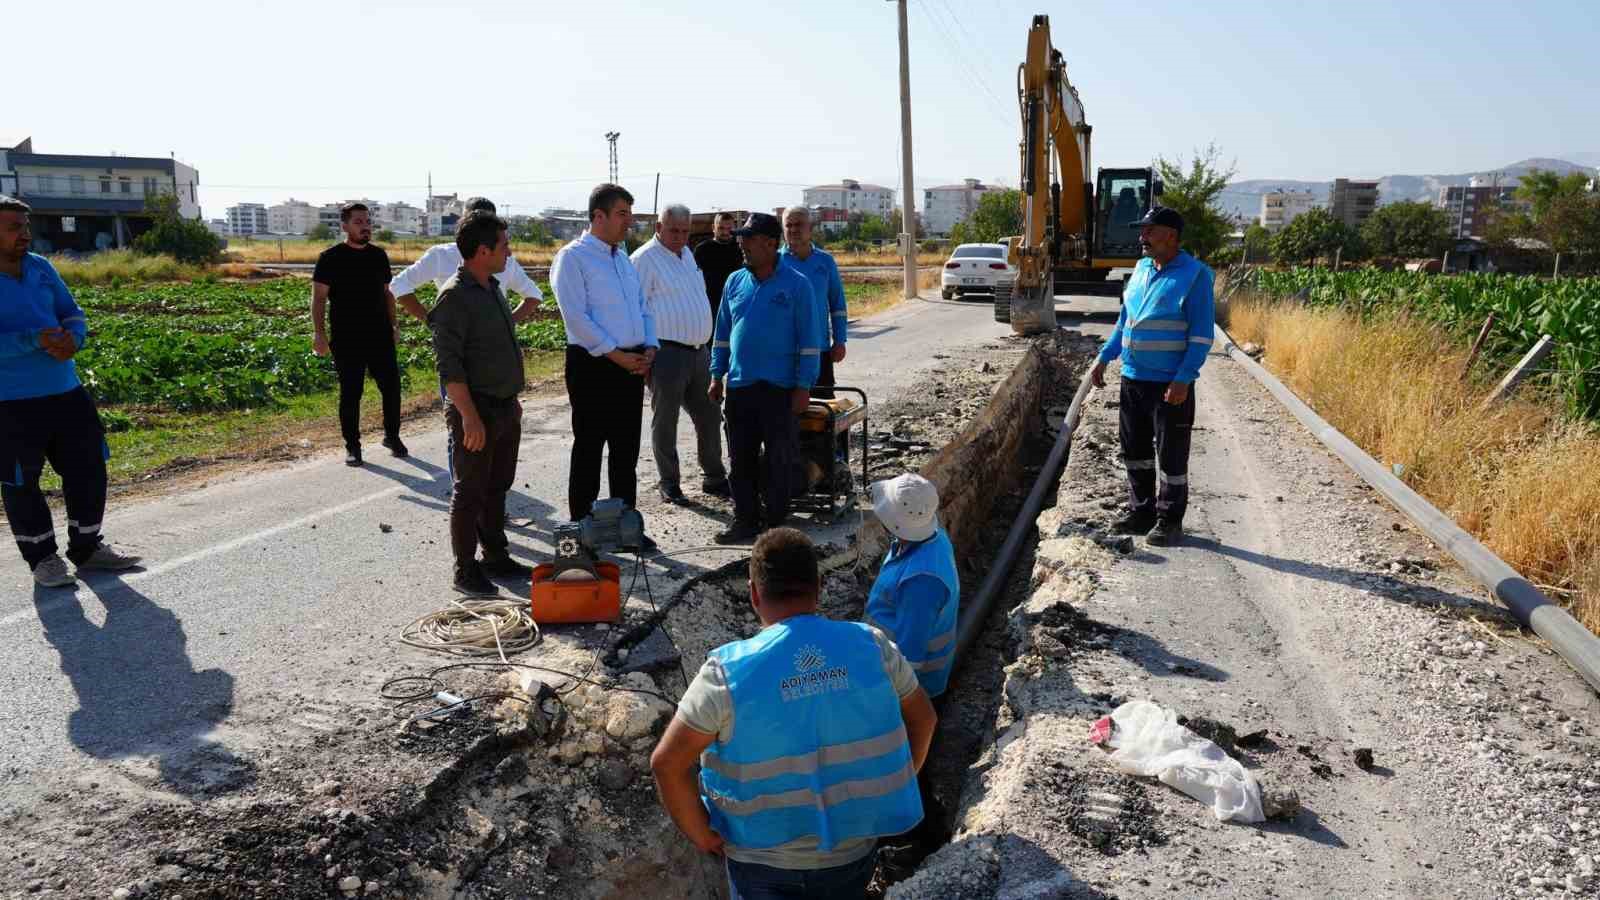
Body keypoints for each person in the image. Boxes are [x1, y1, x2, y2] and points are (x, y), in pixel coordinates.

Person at [650, 527, 937, 900]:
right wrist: (895, 781)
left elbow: (667, 764)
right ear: (819, 587)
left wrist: (701, 834)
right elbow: (925, 719)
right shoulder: (873, 647)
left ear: (754, 593)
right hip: (849, 857)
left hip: (760, 864)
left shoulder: (726, 673)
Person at [0, 196, 142, 587]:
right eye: (14, 227)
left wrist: (74, 338)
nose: (24, 235)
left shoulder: (41, 268)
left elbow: (71, 311)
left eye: (26, 227)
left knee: (89, 467)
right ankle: (42, 559)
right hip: (10, 401)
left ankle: (87, 548)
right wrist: (33, 340)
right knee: (20, 481)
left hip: (65, 390)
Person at [390, 196, 546, 483]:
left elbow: (534, 296)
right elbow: (398, 285)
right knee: (464, 427)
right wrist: (435, 321)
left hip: (485, 361)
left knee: (482, 434)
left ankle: (477, 497)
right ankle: (465, 492)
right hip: (462, 357)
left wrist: (500, 325)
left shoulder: (498, 259)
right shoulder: (443, 256)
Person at [1089, 206, 1216, 546]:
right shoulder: (1142, 269)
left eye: (1149, 230)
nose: (1141, 237)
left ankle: (1170, 520)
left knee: (1172, 455)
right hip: (1133, 378)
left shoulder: (1195, 275)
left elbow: (1202, 334)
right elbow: (1125, 320)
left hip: (1169, 384)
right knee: (1135, 449)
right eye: (1142, 230)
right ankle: (1141, 510)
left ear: (1171, 236)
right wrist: (1105, 357)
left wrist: (1184, 378)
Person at [429, 212, 534, 595]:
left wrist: (513, 403)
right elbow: (449, 368)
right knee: (469, 490)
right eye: (504, 246)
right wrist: (470, 418)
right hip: (477, 410)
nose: (510, 252)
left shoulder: (491, 286)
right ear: (483, 250)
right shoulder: (454, 297)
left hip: (504, 407)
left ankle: (495, 555)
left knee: (497, 486)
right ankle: (465, 569)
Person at [551, 184, 659, 549]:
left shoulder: (622, 259)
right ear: (598, 216)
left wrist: (650, 347)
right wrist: (616, 354)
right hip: (594, 365)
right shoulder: (574, 257)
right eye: (622, 214)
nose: (629, 221)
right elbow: (576, 318)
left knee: (626, 449)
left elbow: (642, 307)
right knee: (590, 447)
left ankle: (627, 527)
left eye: (629, 213)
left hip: (631, 363)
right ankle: (582, 530)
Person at [708, 214, 825, 545]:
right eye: (741, 237)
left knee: (778, 460)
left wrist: (804, 386)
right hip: (741, 388)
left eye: (749, 238)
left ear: (771, 244)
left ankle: (774, 526)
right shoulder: (734, 282)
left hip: (780, 389)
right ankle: (744, 520)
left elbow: (810, 342)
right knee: (739, 459)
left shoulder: (797, 285)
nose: (741, 243)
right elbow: (722, 333)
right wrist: (717, 374)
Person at [864, 473, 960, 859]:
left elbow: (908, 657)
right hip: (909, 678)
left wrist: (878, 699)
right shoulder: (922, 541)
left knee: (907, 766)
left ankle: (922, 838)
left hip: (914, 687)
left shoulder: (922, 580)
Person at [630, 203, 729, 504]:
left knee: (710, 415)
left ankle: (714, 477)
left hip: (699, 351)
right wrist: (643, 354)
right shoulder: (644, 259)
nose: (680, 236)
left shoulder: (688, 255)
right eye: (673, 230)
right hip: (666, 353)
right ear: (659, 227)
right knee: (666, 420)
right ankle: (669, 482)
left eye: (685, 231)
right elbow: (635, 309)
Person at [311, 202, 404, 467]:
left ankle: (392, 436)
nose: (365, 227)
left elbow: (388, 294)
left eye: (367, 222)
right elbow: (318, 300)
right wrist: (319, 335)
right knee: (351, 393)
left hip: (380, 335)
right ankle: (353, 446)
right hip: (346, 337)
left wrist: (394, 325)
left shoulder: (379, 256)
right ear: (344, 226)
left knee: (392, 388)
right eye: (358, 222)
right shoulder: (329, 258)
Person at [779, 207, 847, 399]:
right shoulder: (775, 263)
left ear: (811, 228)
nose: (793, 230)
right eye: (788, 225)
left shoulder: (825, 262)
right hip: (784, 353)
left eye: (798, 224)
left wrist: (840, 340)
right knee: (786, 415)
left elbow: (837, 305)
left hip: (819, 351)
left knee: (822, 414)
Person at [693, 211, 743, 323]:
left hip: (734, 305)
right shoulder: (702, 250)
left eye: (729, 228)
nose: (725, 232)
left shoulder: (740, 250)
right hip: (708, 306)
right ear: (713, 228)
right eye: (721, 228)